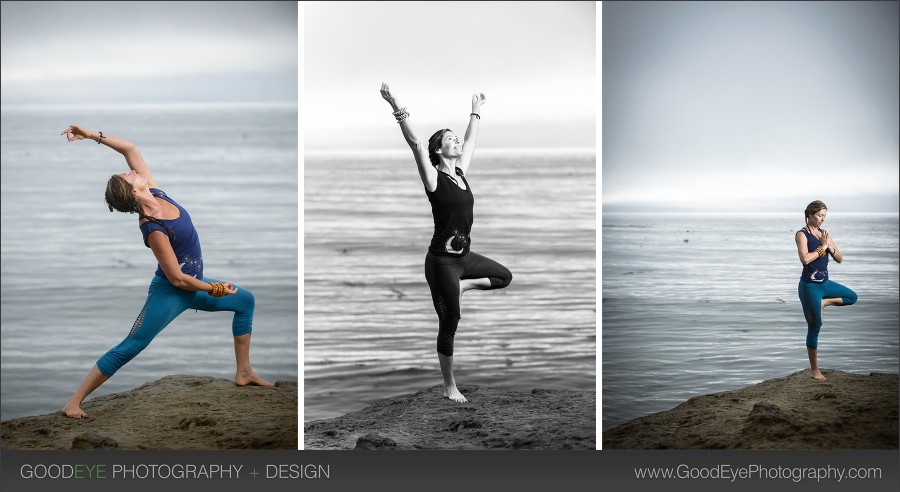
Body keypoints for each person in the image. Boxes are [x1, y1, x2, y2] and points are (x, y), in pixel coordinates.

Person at [58, 124, 272, 419]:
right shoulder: (152, 228)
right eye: (129, 176)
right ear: (133, 192)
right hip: (171, 292)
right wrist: (216, 288)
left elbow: (129, 148)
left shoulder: (158, 193)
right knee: (132, 346)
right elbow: (176, 278)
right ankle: (74, 401)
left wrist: (92, 135)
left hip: (193, 286)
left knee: (245, 302)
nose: (134, 172)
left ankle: (244, 372)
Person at [379, 83, 513, 403]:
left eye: (455, 137)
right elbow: (414, 143)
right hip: (441, 262)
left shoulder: (462, 173)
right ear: (439, 150)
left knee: (503, 277)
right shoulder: (433, 179)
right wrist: (397, 105)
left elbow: (471, 140)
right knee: (450, 321)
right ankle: (449, 385)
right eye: (449, 138)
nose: (456, 140)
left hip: (464, 259)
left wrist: (476, 109)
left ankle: (464, 286)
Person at [794, 200, 857, 381]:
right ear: (810, 214)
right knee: (815, 327)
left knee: (852, 297)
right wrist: (822, 247)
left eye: (824, 216)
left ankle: (825, 302)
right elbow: (805, 259)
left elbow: (840, 258)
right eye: (820, 215)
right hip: (809, 287)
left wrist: (828, 245)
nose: (822, 219)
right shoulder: (802, 235)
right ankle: (815, 370)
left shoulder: (824, 234)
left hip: (825, 284)